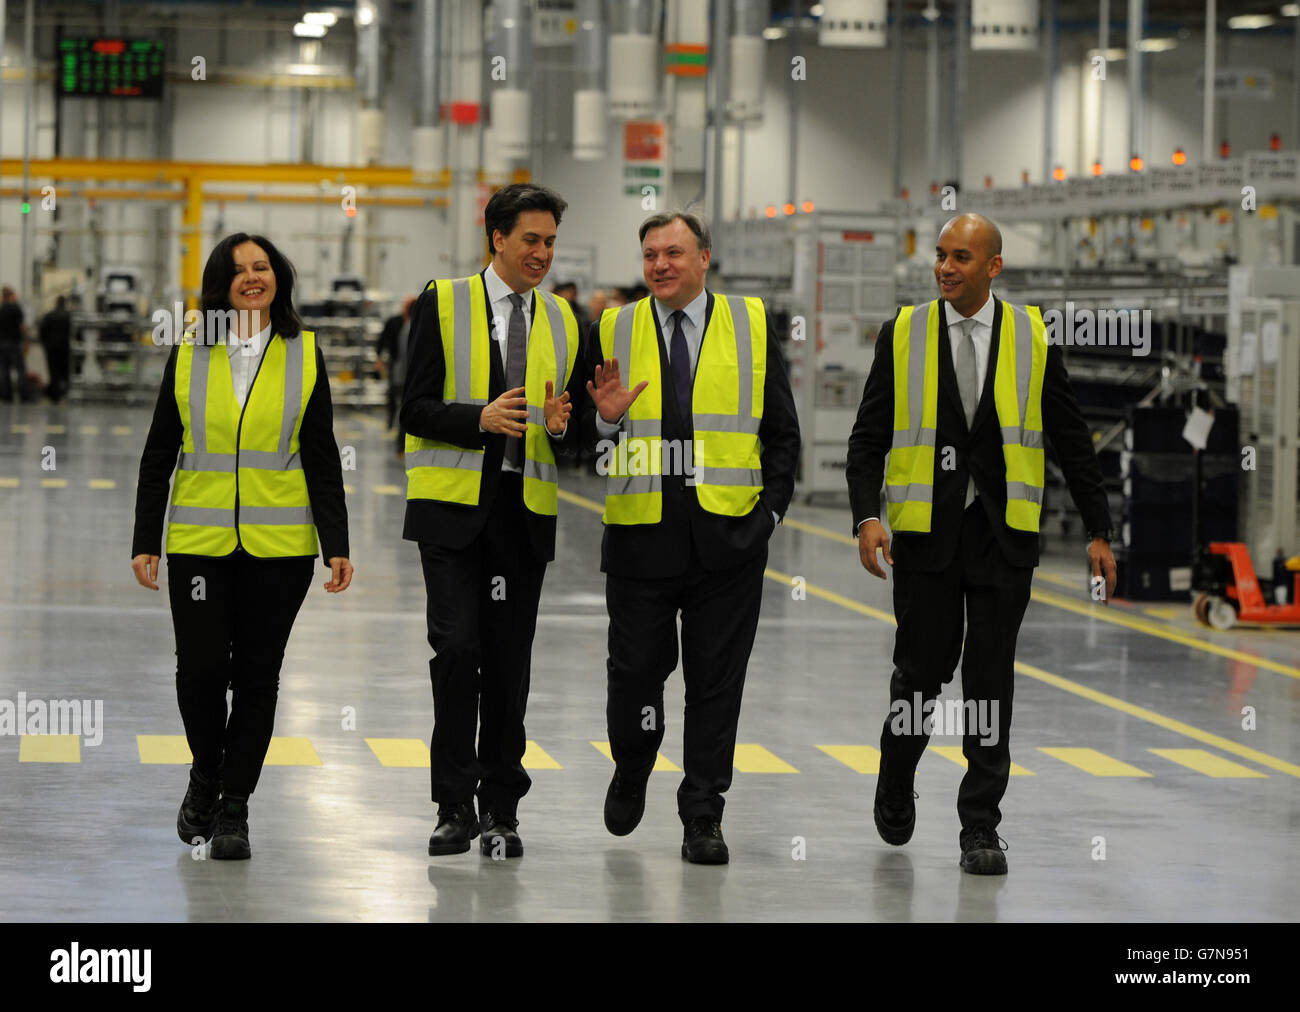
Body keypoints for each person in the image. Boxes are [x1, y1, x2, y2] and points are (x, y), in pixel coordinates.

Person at [845, 212, 1117, 876]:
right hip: (925, 536)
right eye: (940, 255)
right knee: (922, 674)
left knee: (990, 682)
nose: (944, 267)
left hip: (1003, 537)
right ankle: (897, 770)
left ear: (993, 267)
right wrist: (866, 517)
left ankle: (980, 826)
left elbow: (1071, 437)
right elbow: (868, 436)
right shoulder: (902, 333)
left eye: (960, 257)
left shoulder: (1031, 336)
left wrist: (1098, 527)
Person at [583, 210, 801, 864]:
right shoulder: (612, 328)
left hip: (729, 543)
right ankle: (632, 764)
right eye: (650, 254)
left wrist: (769, 517)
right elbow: (579, 440)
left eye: (673, 253)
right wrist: (606, 425)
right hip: (640, 540)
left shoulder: (752, 325)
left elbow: (781, 434)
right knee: (634, 677)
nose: (660, 266)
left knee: (715, 684)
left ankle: (703, 812)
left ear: (705, 258)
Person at [131, 233, 352, 861]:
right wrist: (146, 537)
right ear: (219, 285)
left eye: (261, 267)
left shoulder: (305, 352)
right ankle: (206, 770)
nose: (251, 278)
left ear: (278, 277)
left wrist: (336, 541)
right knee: (200, 672)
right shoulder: (190, 351)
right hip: (199, 543)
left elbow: (320, 454)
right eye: (237, 271)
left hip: (280, 547)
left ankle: (234, 807)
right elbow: (158, 452)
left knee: (257, 678)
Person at [402, 182, 584, 859]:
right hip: (451, 515)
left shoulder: (566, 320)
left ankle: (501, 810)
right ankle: (453, 804)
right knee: (456, 654)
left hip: (523, 515)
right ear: (497, 238)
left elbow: (577, 424)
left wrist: (578, 422)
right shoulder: (442, 303)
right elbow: (413, 409)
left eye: (551, 242)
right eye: (532, 240)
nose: (543, 253)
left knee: (509, 667)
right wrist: (476, 419)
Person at [377, 294, 416, 456]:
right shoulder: (410, 327)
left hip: (401, 374)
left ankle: (401, 445)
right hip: (404, 376)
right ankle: (401, 446)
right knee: (402, 409)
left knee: (400, 407)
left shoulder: (407, 326)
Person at [39, 295, 73, 403]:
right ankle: (67, 393)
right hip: (66, 347)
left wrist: (45, 343)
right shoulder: (69, 316)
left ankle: (55, 395)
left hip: (52, 347)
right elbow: (76, 332)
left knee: (53, 371)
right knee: (66, 370)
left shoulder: (49, 315)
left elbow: (42, 330)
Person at [0, 286, 30, 403]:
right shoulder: (16, 308)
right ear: (11, 295)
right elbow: (22, 326)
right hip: (14, 343)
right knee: (21, 369)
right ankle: (23, 394)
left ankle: (6, 395)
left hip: (2, 344)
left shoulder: (1, 309)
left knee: (4, 370)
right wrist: (27, 340)